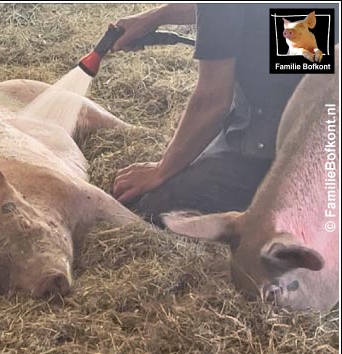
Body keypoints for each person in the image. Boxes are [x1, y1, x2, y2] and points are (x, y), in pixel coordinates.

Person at [110, 3, 336, 226]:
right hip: (325, 121)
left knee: (156, 207)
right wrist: (159, 16)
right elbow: (237, 10)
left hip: (276, 143)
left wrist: (160, 171)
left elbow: (213, 101)